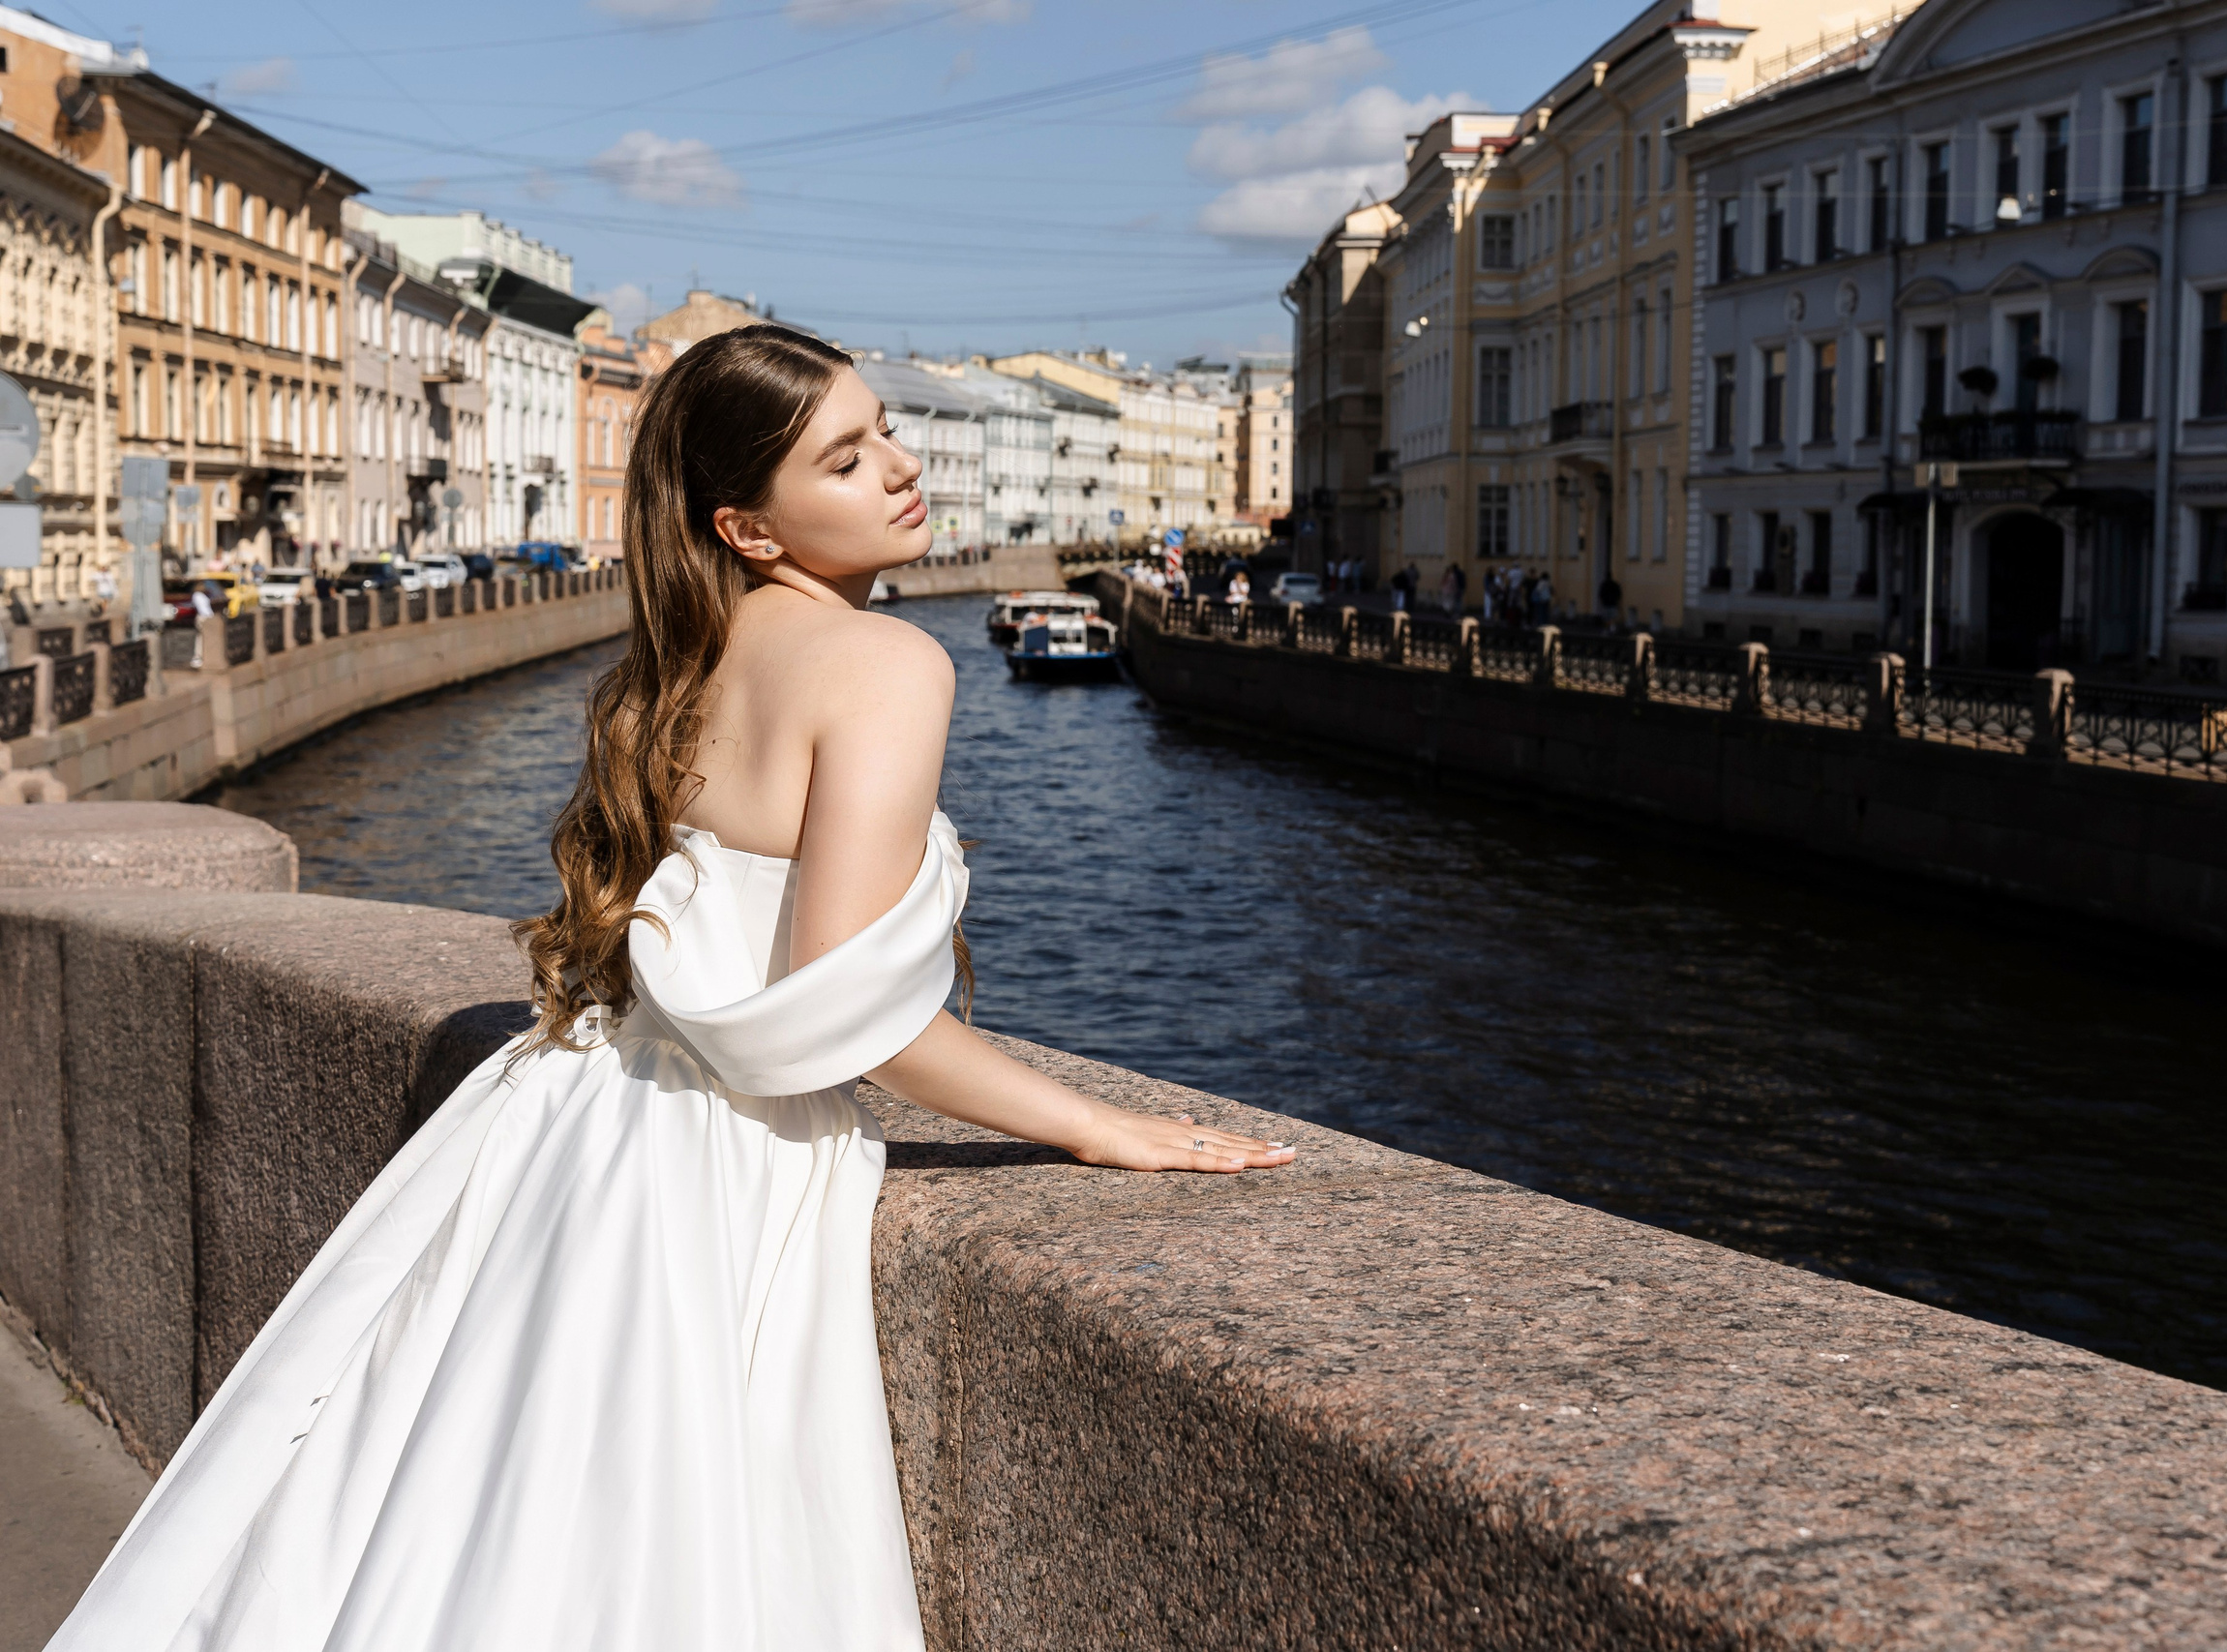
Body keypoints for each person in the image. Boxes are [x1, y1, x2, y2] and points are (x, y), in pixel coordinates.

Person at [45, 326, 1296, 1652]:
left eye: (884, 430)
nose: (900, 467)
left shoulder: (668, 675)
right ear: (748, 528)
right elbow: (844, 1013)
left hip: (560, 1125)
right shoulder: (891, 664)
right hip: (721, 1164)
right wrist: (1095, 1123)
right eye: (845, 458)